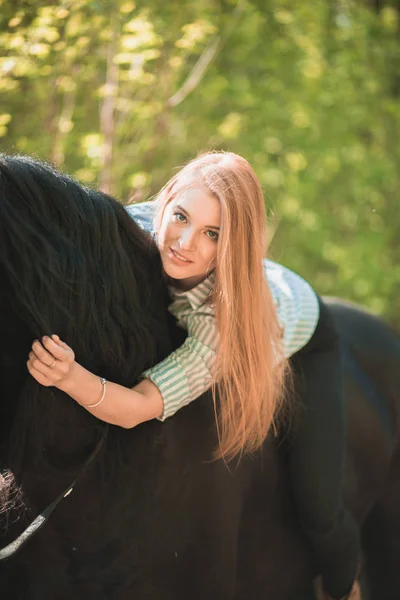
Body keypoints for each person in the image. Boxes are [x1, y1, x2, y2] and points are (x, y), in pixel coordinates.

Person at [27, 151, 359, 600]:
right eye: (181, 216)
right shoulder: (136, 228)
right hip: (237, 285)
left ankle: (345, 588)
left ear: (230, 247)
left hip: (303, 326)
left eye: (212, 234)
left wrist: (70, 377)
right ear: (164, 204)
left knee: (320, 505)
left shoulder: (222, 322)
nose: (184, 241)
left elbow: (140, 407)